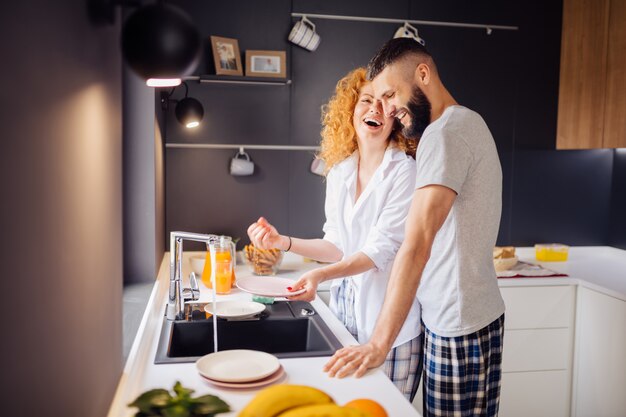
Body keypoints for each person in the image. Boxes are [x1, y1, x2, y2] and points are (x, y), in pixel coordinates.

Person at [323, 38, 506, 417]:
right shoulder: (465, 123)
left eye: (391, 94)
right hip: (465, 316)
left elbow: (416, 243)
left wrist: (378, 344)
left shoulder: (445, 134)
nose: (389, 108)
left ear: (422, 74)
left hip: (457, 324)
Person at [247, 67, 423, 401]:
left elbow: (379, 251)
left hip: (388, 326)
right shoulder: (341, 171)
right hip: (345, 318)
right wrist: (283, 242)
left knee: (384, 408)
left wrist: (321, 274)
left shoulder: (404, 171)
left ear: (396, 118)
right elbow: (337, 244)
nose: (375, 109)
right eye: (366, 100)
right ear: (351, 111)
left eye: (386, 104)